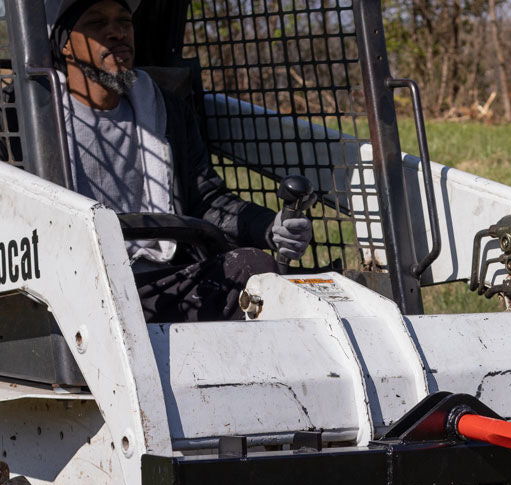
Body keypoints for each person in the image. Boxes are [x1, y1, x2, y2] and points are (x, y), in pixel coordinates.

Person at [41, 0, 314, 322]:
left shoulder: (164, 110)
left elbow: (207, 199)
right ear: (66, 44)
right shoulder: (29, 119)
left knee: (255, 270)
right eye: (97, 24)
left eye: (124, 22)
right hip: (74, 289)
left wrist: (270, 226)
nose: (116, 33)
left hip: (162, 279)